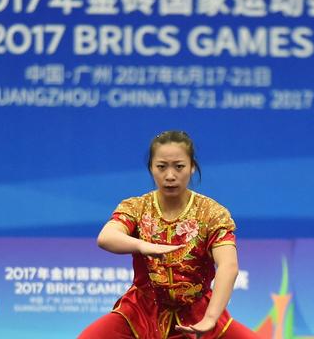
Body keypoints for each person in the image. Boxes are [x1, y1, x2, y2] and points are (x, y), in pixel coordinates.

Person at [79, 131, 257, 339]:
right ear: (151, 169)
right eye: (161, 167)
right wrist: (143, 246)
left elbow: (229, 266)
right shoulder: (136, 207)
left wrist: (210, 318)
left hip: (198, 312)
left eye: (179, 166)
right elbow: (106, 237)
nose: (170, 175)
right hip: (140, 311)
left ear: (192, 168)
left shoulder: (212, 213)